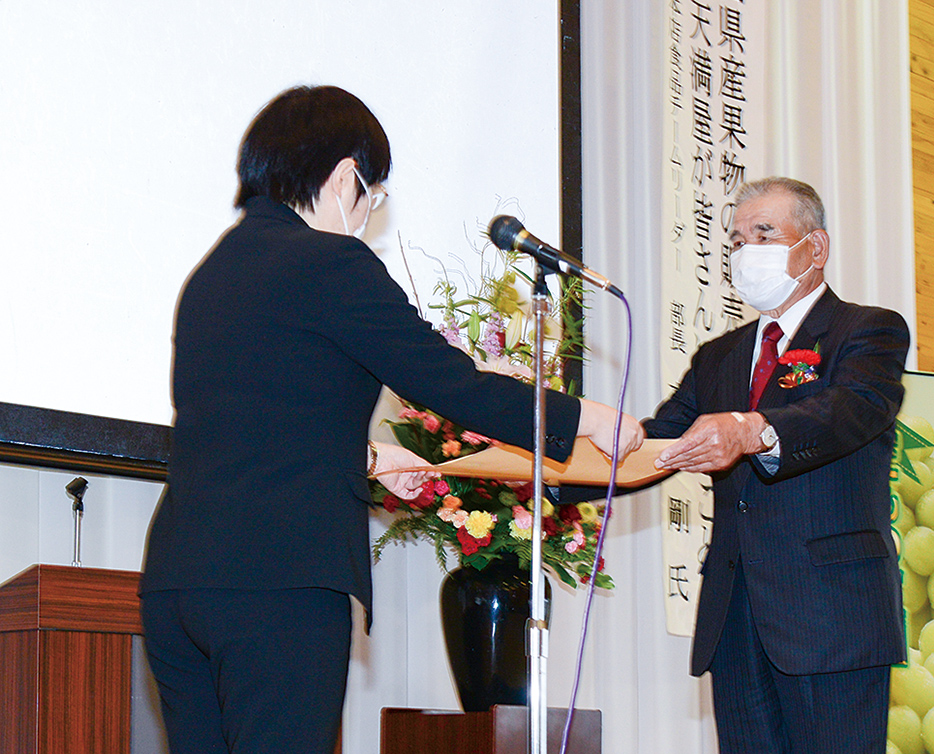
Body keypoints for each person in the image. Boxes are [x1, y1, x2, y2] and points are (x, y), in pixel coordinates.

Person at [139, 85, 643, 754]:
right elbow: (450, 383)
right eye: (372, 194)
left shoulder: (212, 274)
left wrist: (371, 460)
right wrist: (586, 416)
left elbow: (254, 423)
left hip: (177, 581)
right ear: (348, 174)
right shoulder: (333, 263)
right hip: (280, 582)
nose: (370, 211)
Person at [650, 177, 909, 753]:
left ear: (814, 248)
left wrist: (751, 430)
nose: (745, 252)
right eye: (736, 241)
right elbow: (659, 443)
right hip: (736, 618)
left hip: (832, 613)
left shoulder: (868, 330)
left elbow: (850, 410)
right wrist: (557, 457)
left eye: (763, 233)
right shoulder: (719, 357)